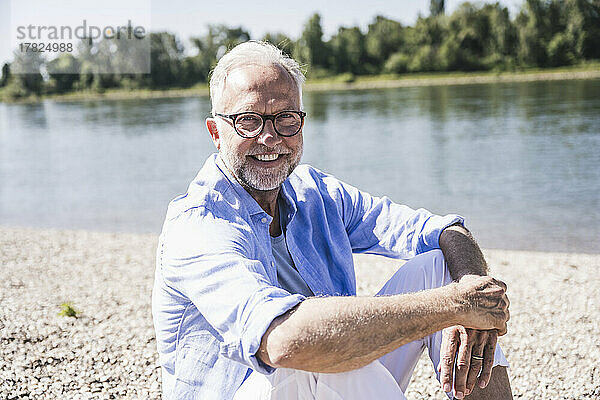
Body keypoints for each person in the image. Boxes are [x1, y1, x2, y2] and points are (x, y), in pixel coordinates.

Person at [152, 41, 513, 400]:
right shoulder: (198, 224)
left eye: (285, 119)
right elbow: (282, 341)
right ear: (216, 132)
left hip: (334, 383)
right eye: (248, 121)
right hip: (257, 384)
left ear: (302, 123)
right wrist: (451, 305)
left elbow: (444, 231)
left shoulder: (315, 193)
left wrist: (472, 297)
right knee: (309, 349)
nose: (270, 137)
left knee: (441, 266)